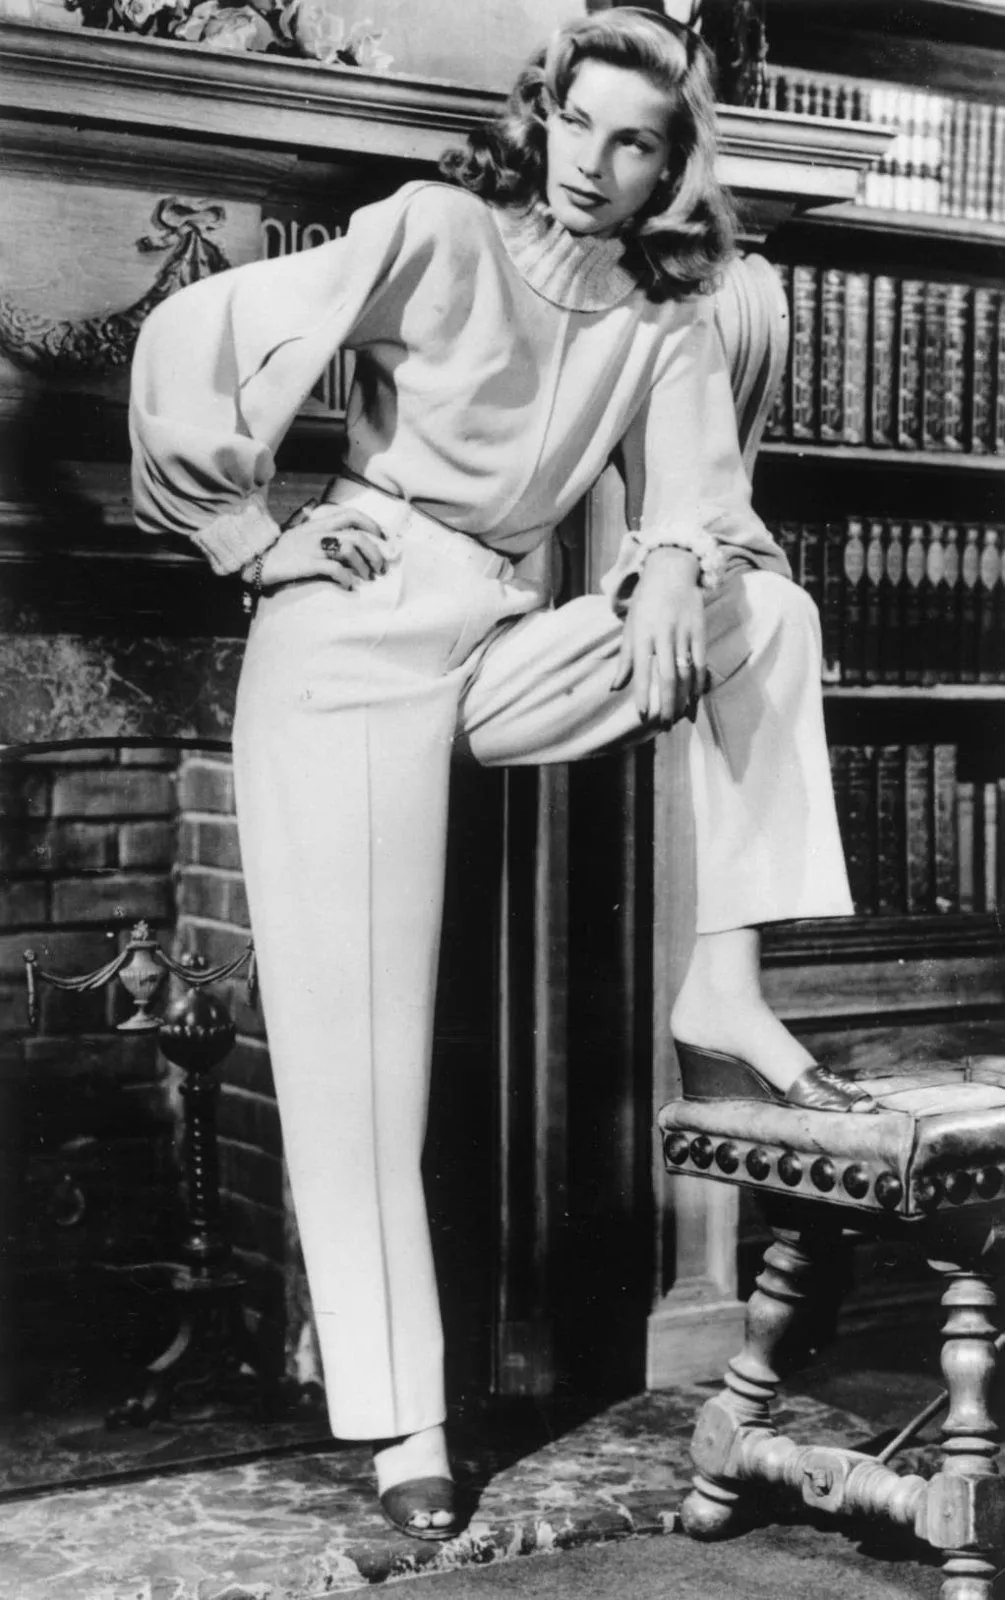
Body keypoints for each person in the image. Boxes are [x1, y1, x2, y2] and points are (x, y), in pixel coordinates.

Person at [129, 4, 875, 1542]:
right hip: (349, 636)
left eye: (638, 142)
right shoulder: (436, 229)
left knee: (771, 614)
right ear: (542, 121)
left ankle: (723, 984)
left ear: (672, 165)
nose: (598, 163)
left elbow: (703, 500)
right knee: (361, 1062)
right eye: (579, 124)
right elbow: (199, 328)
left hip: (501, 636)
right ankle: (406, 1419)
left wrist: (667, 567)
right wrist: (246, 534)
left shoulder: (663, 316)